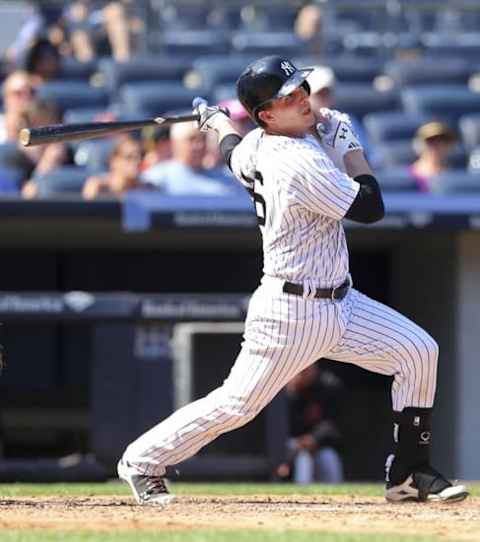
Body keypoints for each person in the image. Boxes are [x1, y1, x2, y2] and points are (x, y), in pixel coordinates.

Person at [117, 55, 468, 505]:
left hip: (342, 302)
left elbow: (230, 152)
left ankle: (408, 472)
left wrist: (218, 123)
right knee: (236, 405)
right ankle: (141, 460)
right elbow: (370, 207)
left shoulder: (257, 143)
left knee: (419, 351)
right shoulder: (297, 161)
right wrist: (350, 147)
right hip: (291, 313)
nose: (303, 100)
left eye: (302, 89)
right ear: (266, 114)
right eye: (289, 97)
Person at [274, 363, 344, 484]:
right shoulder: (284, 392)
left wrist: (314, 439)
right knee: (303, 458)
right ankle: (303, 496)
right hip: (291, 445)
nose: (304, 372)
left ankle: (338, 498)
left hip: (317, 444)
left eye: (308, 368)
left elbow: (332, 425)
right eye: (301, 370)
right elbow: (278, 430)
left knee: (329, 457)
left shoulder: (326, 385)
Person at [140, 121, 241, 196]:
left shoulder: (226, 178)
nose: (199, 145)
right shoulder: (158, 177)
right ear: (175, 143)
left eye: (202, 139)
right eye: (191, 139)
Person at [307, 65, 380, 168]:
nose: (325, 99)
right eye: (319, 94)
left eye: (328, 93)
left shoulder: (345, 123)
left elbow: (369, 160)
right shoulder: (297, 133)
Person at [409, 122, 458, 192]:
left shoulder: (456, 176)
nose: (437, 145)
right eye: (430, 141)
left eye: (443, 141)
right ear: (418, 145)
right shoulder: (406, 177)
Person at [0, 71, 35, 143]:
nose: (26, 97)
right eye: (18, 93)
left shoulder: (44, 126)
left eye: (32, 92)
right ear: (6, 97)